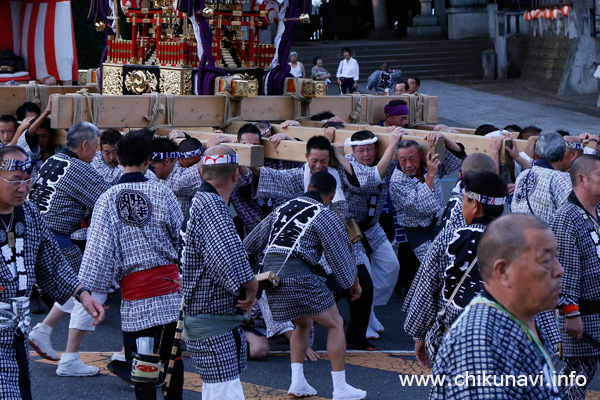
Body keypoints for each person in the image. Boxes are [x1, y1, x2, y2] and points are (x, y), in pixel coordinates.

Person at [65, 129, 184, 398]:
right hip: (168, 290)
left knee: (143, 361)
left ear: (117, 159)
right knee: (171, 357)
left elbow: (98, 253)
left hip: (136, 294)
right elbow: (180, 239)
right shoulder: (162, 193)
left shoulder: (106, 200)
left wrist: (90, 294)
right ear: (147, 160)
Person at [244, 171, 366, 400]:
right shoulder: (324, 213)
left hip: (272, 282)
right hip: (300, 278)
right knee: (336, 323)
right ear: (330, 196)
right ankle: (340, 388)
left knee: (303, 322)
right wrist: (352, 282)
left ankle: (298, 382)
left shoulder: (283, 208)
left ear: (309, 185)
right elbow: (339, 255)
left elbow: (249, 244)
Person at [0, 146, 104, 399]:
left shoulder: (30, 213)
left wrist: (82, 293)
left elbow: (52, 262)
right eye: (15, 181)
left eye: (28, 181)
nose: (24, 188)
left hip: (17, 326)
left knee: (19, 385)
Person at [430, 213, 563, 399]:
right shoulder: (478, 341)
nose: (559, 270)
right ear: (503, 271)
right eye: (546, 261)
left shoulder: (519, 317)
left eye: (557, 257)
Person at [27, 122, 111, 375]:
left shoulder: (54, 160)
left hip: (37, 233)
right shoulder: (80, 170)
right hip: (54, 239)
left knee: (75, 290)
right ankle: (70, 359)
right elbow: (109, 202)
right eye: (97, 148)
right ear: (85, 145)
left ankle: (43, 330)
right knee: (89, 294)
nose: (97, 153)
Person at [404, 171, 508, 369]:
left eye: (464, 201)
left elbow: (426, 288)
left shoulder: (448, 238)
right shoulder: (518, 242)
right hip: (503, 340)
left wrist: (419, 335)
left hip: (454, 338)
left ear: (475, 205)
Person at [181, 145, 258, 399]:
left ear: (202, 171)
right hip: (211, 320)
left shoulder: (202, 202)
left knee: (216, 391)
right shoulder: (212, 207)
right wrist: (251, 286)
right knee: (225, 392)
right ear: (235, 175)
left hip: (206, 317)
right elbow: (225, 259)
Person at [336, 128, 403, 343]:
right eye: (361, 150)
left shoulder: (386, 159)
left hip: (372, 225)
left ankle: (371, 311)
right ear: (353, 151)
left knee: (391, 266)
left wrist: (440, 133)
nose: (366, 154)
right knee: (363, 276)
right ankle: (365, 322)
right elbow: (366, 181)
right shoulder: (347, 163)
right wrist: (392, 144)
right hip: (349, 228)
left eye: (370, 149)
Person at [550, 155, 600, 399]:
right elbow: (564, 271)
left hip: (597, 313)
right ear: (582, 179)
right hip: (581, 314)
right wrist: (571, 313)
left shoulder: (597, 210)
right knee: (575, 379)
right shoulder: (566, 217)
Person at [389, 132, 465, 263]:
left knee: (454, 258)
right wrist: (430, 174)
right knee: (435, 264)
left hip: (439, 225)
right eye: (403, 160)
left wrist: (443, 137)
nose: (408, 164)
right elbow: (421, 205)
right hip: (417, 231)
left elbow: (456, 159)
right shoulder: (397, 179)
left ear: (420, 156)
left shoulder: (426, 165)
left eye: (412, 159)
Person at [164, 137, 203, 216]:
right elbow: (180, 183)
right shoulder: (170, 169)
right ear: (179, 159)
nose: (195, 167)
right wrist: (206, 157)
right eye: (191, 164)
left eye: (198, 163)